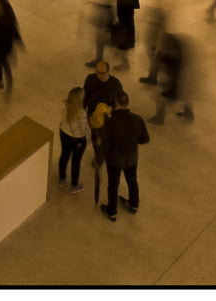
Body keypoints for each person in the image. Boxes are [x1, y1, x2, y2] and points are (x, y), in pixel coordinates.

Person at [99, 91, 149, 221]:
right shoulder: (137, 119)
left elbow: (105, 144)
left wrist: (99, 158)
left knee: (113, 185)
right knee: (132, 180)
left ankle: (112, 211)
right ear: (128, 102)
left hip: (115, 160)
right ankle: (133, 204)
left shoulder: (111, 122)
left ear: (115, 103)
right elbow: (145, 139)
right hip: (132, 158)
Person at [58, 87, 90, 194]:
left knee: (64, 156)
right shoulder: (81, 113)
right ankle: (74, 186)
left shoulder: (63, 105)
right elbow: (84, 129)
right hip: (77, 140)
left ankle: (61, 179)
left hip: (64, 134)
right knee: (76, 162)